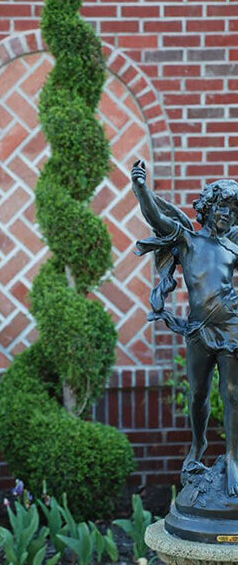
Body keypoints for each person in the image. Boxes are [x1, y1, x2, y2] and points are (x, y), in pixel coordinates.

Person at [132, 158, 238, 493]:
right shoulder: (188, 241)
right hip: (198, 330)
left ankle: (234, 458)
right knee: (197, 394)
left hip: (232, 329)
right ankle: (198, 446)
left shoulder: (232, 245)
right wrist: (140, 189)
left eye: (234, 211)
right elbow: (157, 218)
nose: (229, 215)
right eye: (223, 207)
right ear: (208, 208)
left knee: (233, 394)